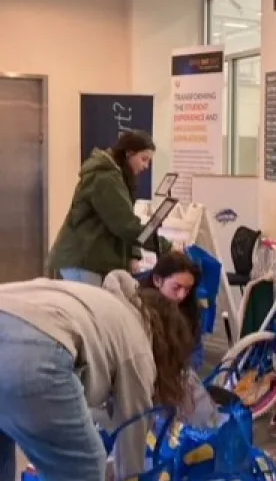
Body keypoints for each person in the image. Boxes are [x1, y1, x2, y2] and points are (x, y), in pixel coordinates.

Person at [0, 278, 194, 481]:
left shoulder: (106, 303)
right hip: (33, 350)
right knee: (85, 466)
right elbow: (134, 423)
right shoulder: (139, 344)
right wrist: (130, 475)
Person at [47, 130, 156, 286]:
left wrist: (134, 254)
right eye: (144, 159)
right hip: (83, 262)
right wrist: (164, 246)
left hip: (88, 261)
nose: (146, 166)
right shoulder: (105, 178)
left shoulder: (117, 177)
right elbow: (125, 225)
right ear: (129, 153)